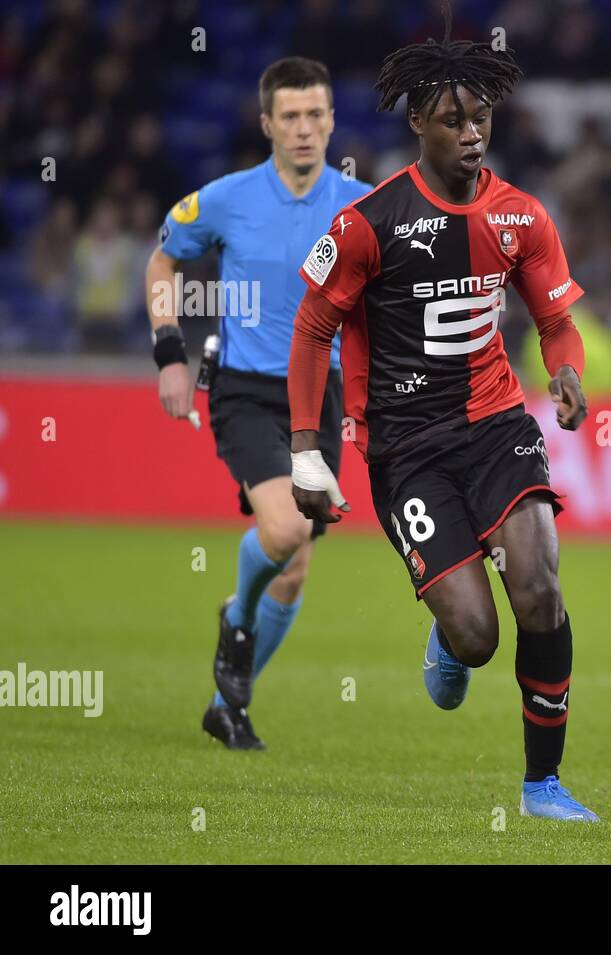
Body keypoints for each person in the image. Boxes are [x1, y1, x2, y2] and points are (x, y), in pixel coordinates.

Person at [287, 34, 599, 822]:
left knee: (540, 586)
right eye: (453, 118)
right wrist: (305, 450)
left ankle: (542, 786)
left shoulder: (522, 215)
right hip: (405, 447)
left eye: (481, 115)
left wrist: (567, 371)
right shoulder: (368, 224)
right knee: (477, 636)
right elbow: (311, 328)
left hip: (497, 423)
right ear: (417, 123)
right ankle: (447, 633)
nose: (471, 131)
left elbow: (556, 320)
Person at [144, 57, 370, 749]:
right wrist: (169, 353)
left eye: (316, 115)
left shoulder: (363, 205)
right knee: (285, 532)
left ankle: (226, 706)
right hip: (245, 389)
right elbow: (163, 261)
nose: (304, 129)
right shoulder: (225, 199)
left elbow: (380, 308)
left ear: (332, 120)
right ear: (267, 123)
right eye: (290, 117)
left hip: (321, 396)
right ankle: (237, 614)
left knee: (296, 569)